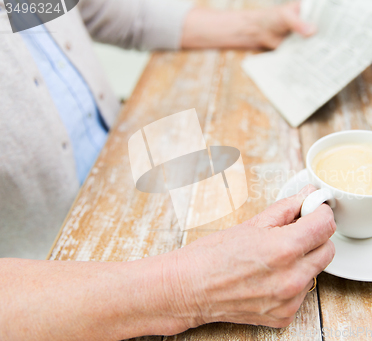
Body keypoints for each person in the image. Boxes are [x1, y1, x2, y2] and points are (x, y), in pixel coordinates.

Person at [0, 0, 335, 338]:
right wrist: (185, 288)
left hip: (121, 171)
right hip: (56, 277)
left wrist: (252, 26)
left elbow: (94, 9)